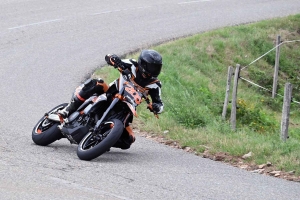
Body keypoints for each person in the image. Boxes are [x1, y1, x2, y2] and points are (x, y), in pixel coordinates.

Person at [59, 49, 164, 149]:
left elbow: (159, 104)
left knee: (129, 140)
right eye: (152, 67)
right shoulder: (132, 64)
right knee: (97, 83)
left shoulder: (155, 85)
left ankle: (103, 141)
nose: (154, 71)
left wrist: (156, 107)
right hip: (111, 94)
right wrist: (116, 62)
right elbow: (109, 57)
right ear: (143, 64)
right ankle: (67, 110)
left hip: (126, 109)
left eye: (157, 68)